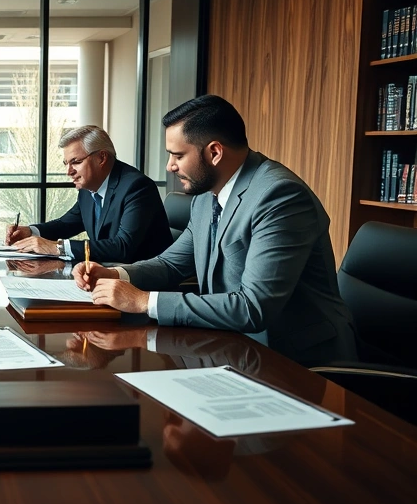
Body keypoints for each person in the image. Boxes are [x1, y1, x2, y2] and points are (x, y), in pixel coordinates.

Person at [76, 95, 357, 366]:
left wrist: (144, 301)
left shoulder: (280, 197)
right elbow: (171, 264)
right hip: (232, 347)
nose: (170, 166)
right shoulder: (205, 196)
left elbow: (252, 307)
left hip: (294, 361)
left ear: (214, 152)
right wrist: (115, 274)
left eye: (178, 155)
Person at [6, 125, 172, 263]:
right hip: (106, 274)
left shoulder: (137, 187)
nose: (69, 172)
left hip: (142, 283)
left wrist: (57, 247)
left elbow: (123, 247)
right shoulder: (89, 188)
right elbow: (66, 224)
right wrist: (30, 231)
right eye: (66, 164)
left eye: (76, 162)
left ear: (101, 158)